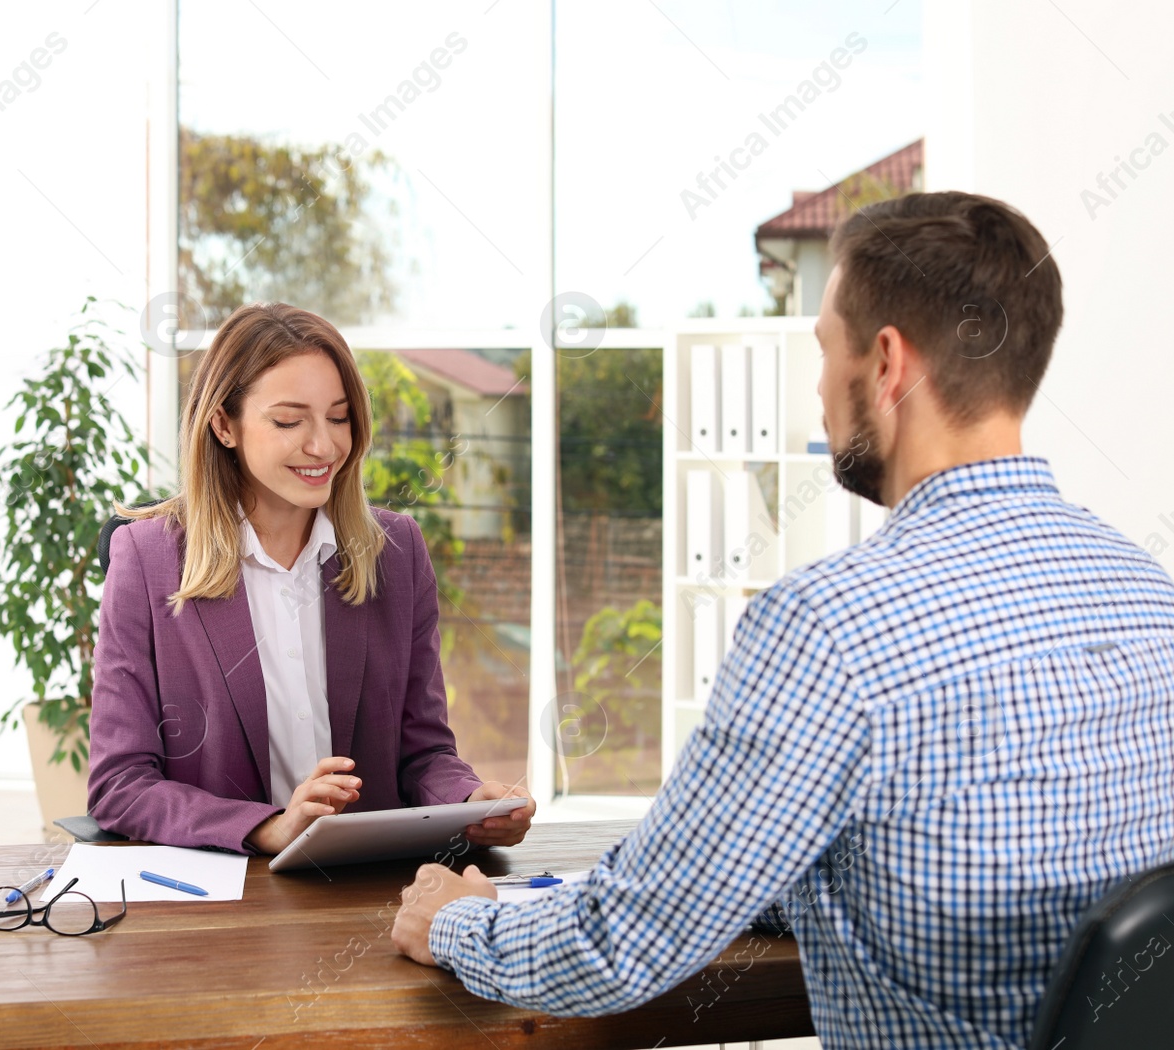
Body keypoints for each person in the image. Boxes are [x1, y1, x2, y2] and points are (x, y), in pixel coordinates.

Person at [393, 191, 1174, 1048]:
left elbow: (623, 945)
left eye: (823, 350)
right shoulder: (1145, 590)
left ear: (885, 364)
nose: (818, 390)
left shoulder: (831, 625)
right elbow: (971, 856)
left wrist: (457, 924)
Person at [87, 301, 535, 856]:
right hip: (228, 901)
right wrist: (268, 826)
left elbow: (423, 755)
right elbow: (121, 785)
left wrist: (470, 803)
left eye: (340, 417)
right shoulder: (146, 558)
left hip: (365, 892)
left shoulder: (396, 553)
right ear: (224, 424)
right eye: (289, 421)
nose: (324, 446)